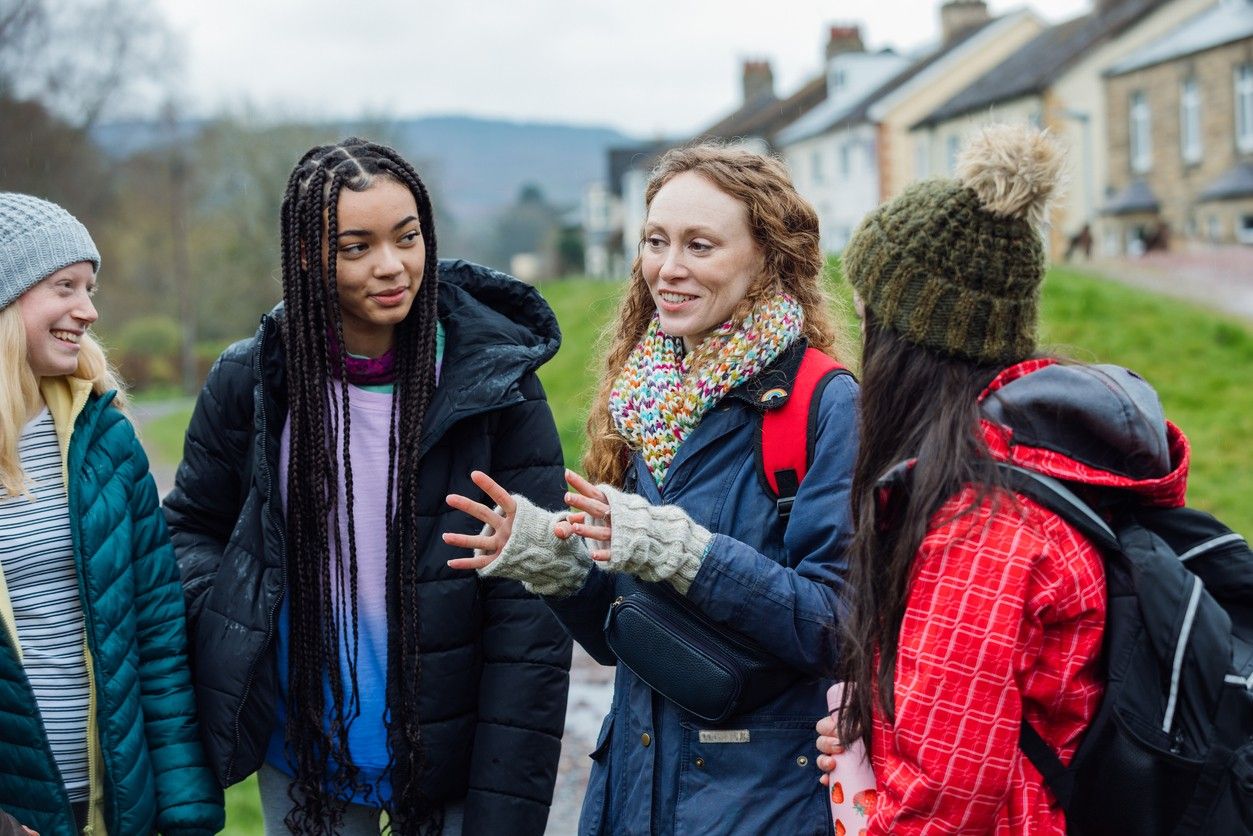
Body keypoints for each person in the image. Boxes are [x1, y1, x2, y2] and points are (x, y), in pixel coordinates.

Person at [444, 144, 860, 835]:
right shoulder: (645, 400)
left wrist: (684, 553)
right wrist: (557, 568)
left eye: (700, 245)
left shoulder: (822, 403)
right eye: (655, 242)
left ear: (768, 257)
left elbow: (837, 627)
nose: (668, 269)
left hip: (759, 803)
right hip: (631, 791)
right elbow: (633, 638)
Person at [163, 138, 572, 835]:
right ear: (306, 256)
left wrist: (505, 804)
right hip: (305, 754)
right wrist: (240, 610)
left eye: (407, 237)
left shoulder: (496, 387)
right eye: (356, 247)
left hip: (454, 759)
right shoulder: (254, 380)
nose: (391, 266)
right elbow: (190, 527)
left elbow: (535, 608)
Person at [816, 124, 1191, 833]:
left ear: (906, 340)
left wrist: (887, 794)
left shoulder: (979, 531)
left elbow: (945, 805)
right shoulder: (1022, 471)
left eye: (868, 318)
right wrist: (880, 743)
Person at [0, 193, 222, 835]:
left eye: (89, 288)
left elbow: (157, 642)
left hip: (112, 805)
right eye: (64, 286)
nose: (88, 310)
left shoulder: (108, 442)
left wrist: (184, 815)